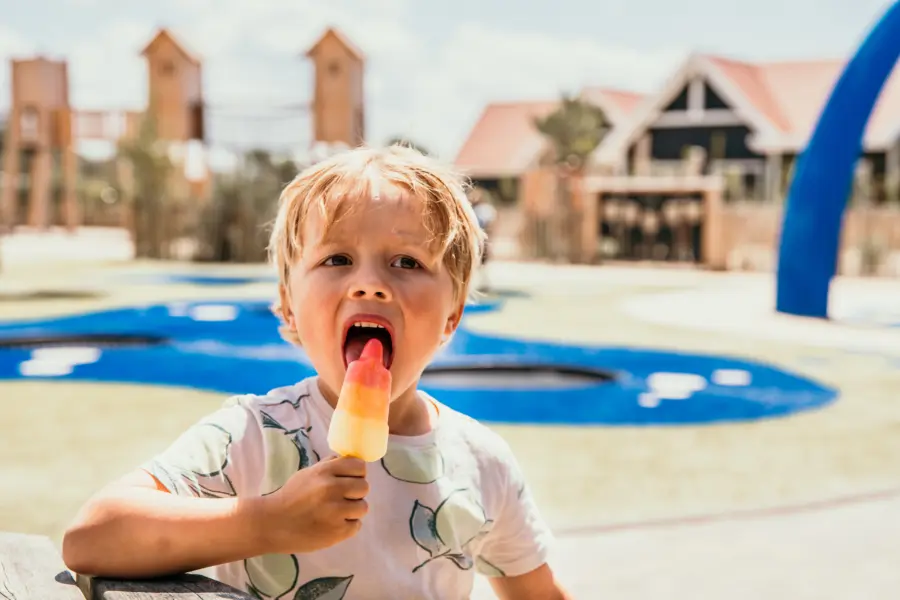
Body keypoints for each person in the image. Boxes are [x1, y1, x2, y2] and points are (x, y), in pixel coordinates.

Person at [62, 145, 570, 600]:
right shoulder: (253, 435)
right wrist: (265, 521)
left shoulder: (484, 465)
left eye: (407, 262)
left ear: (452, 317)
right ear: (288, 309)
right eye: (338, 258)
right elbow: (92, 537)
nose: (369, 285)